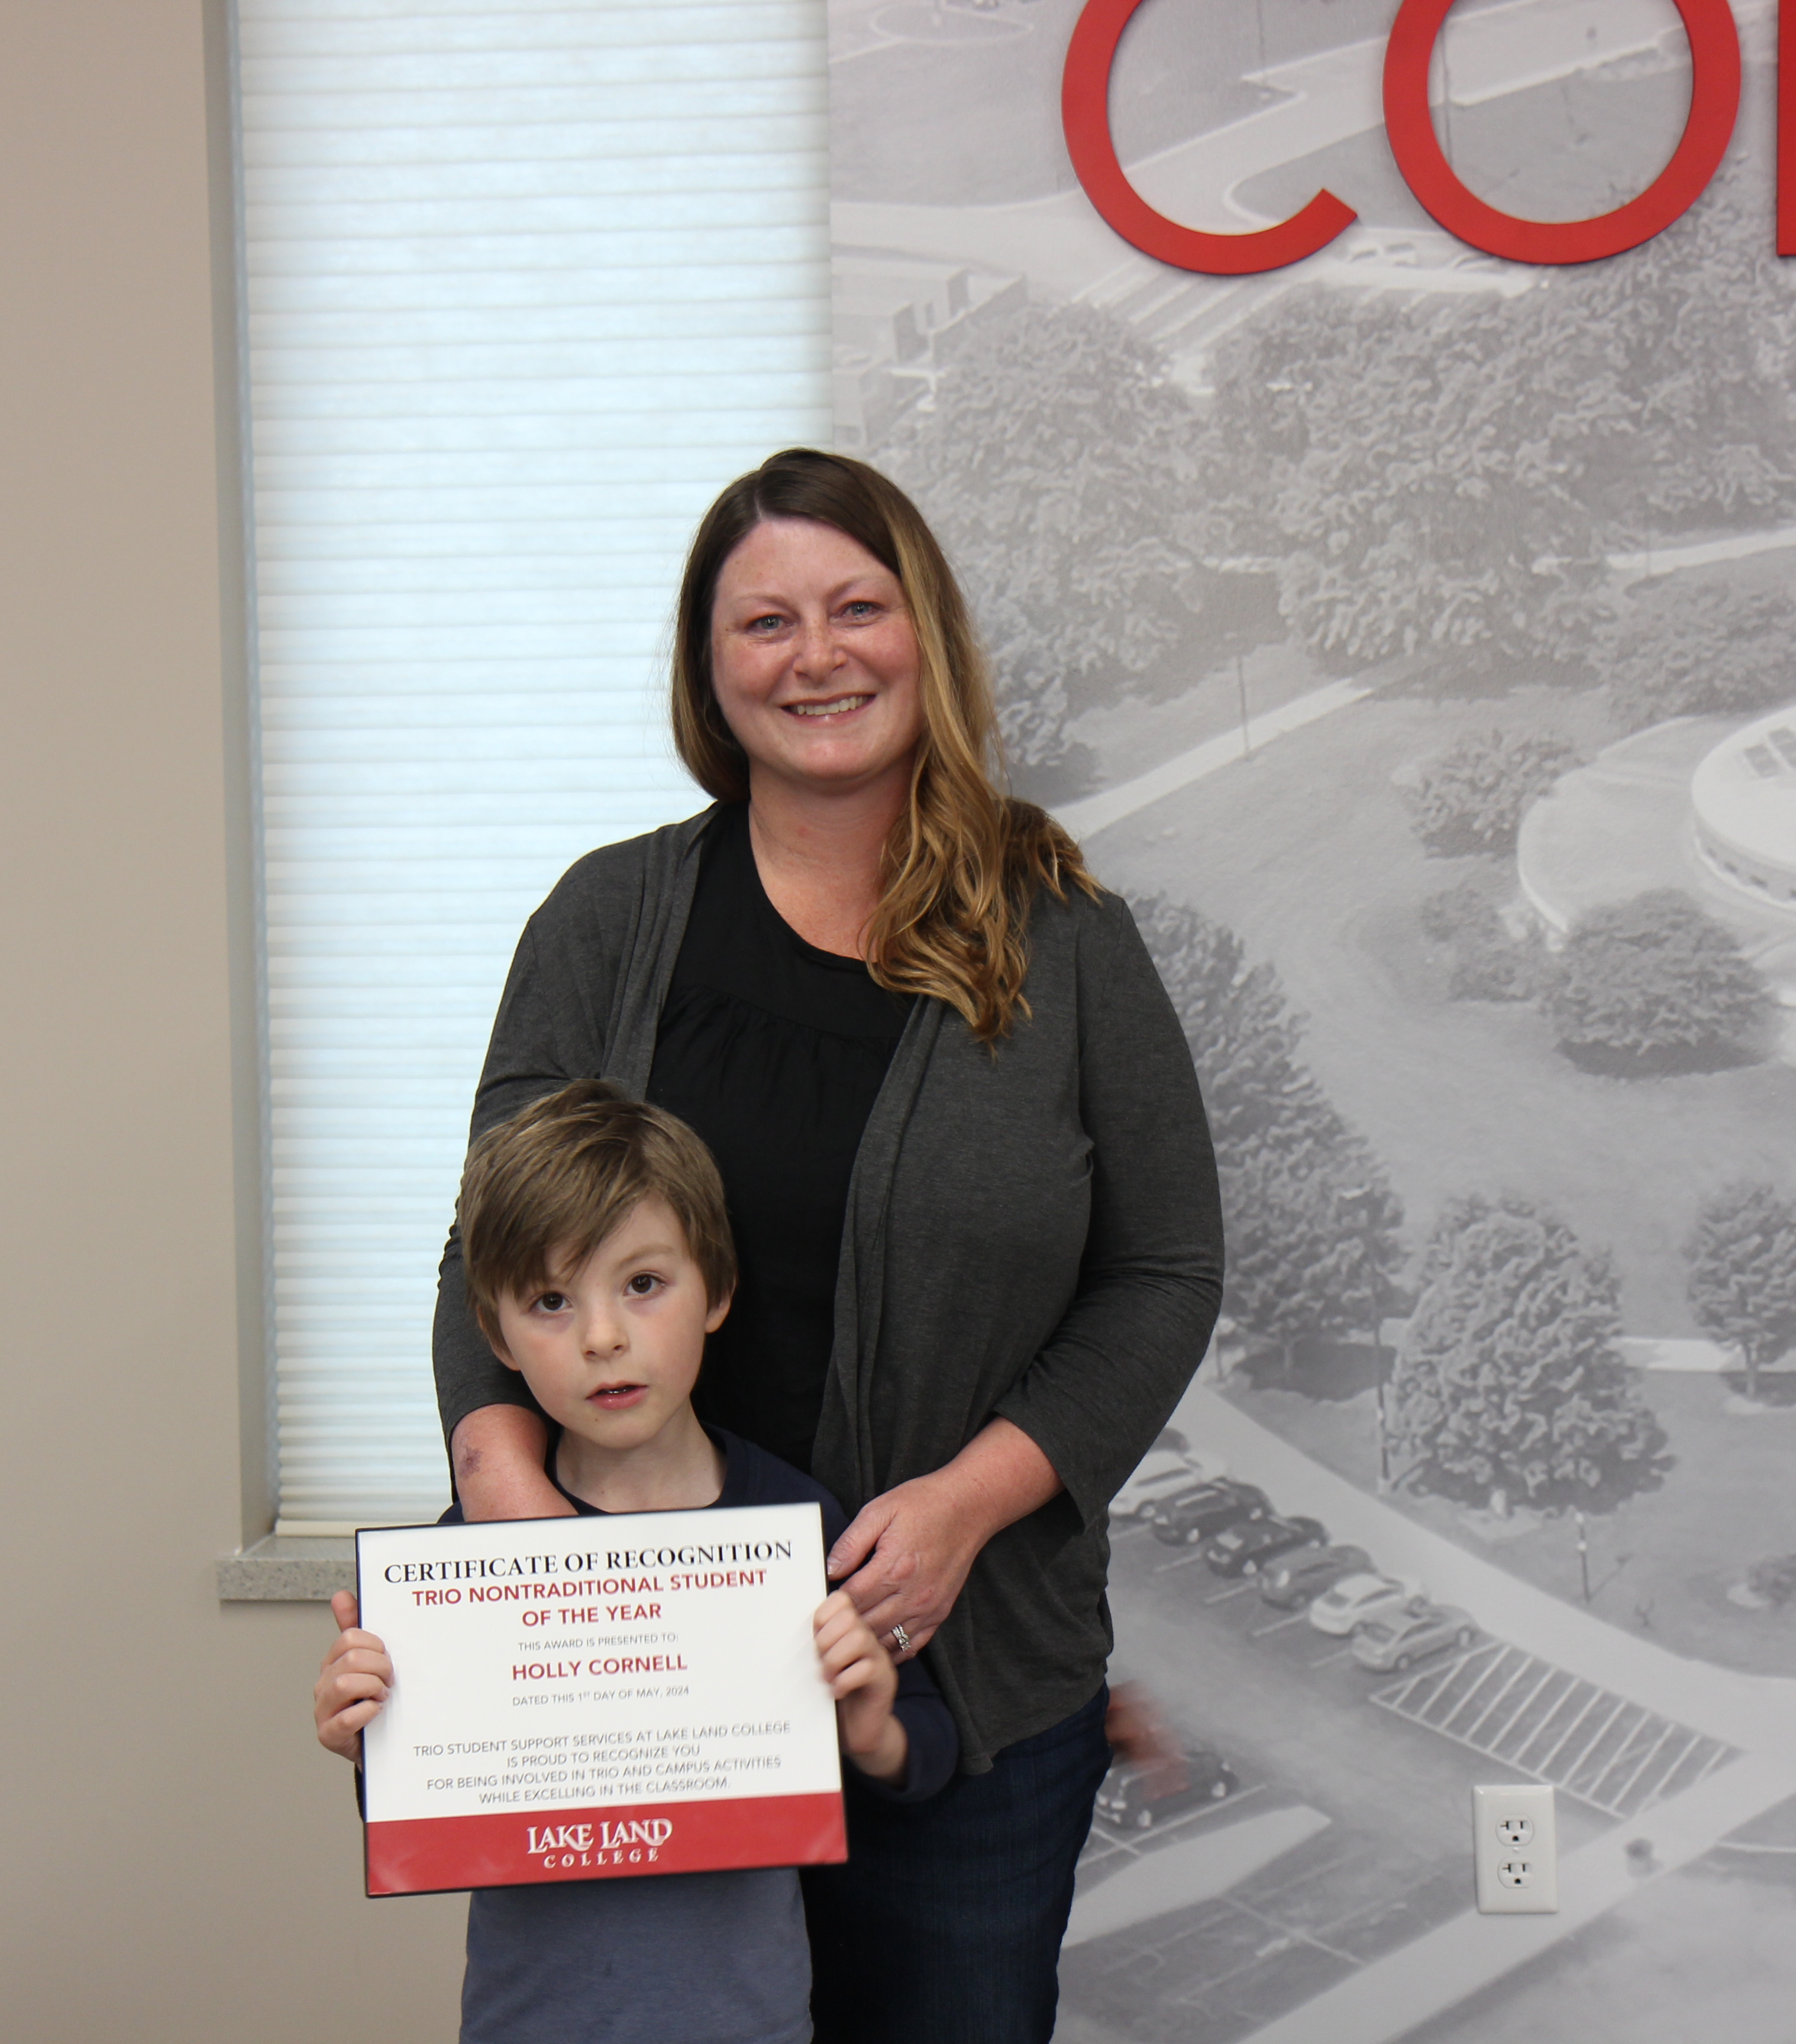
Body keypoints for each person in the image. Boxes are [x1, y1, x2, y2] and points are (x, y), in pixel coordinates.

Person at [430, 449, 1225, 2042]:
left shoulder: (1067, 940)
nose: (817, 654)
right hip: (650, 1691)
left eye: (858, 607)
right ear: (709, 670)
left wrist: (960, 1514)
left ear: (922, 634)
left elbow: (1164, 1274)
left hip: (962, 1694)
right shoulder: (605, 923)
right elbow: (490, 1248)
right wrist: (515, 1516)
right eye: (765, 622)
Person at [316, 1080, 957, 2044]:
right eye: (549, 1301)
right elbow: (420, 1798)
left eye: (643, 1285)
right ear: (495, 1336)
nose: (604, 1336)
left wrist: (871, 1729)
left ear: (719, 1290)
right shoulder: (467, 1561)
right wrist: (363, 1728)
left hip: (754, 2026)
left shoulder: (792, 1522)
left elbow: (925, 1741)